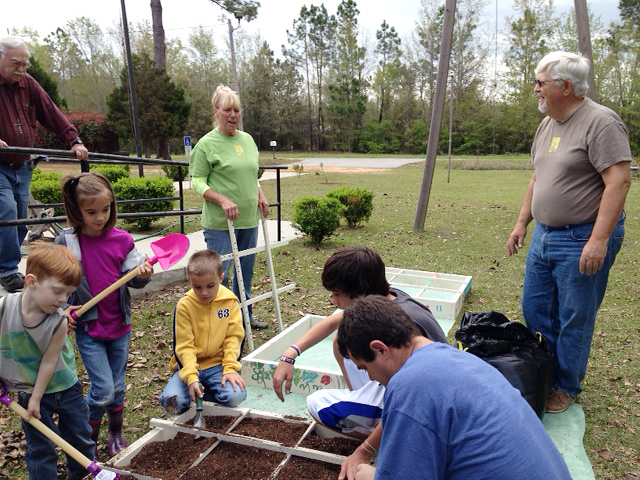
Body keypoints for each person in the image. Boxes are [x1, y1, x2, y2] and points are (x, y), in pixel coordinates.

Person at [507, 51, 632, 414]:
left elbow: (619, 182)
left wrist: (598, 240)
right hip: (545, 235)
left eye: (541, 83)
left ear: (565, 86)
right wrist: (521, 223)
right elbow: (537, 177)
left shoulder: (601, 123)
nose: (535, 90)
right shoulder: (548, 122)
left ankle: (566, 385)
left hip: (581, 237)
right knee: (535, 309)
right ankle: (544, 375)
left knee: (575, 315)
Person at [338, 296, 572, 480]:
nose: (369, 377)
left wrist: (374, 476)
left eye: (363, 367)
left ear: (380, 349)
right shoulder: (457, 359)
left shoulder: (410, 384)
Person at [271, 246, 446, 477]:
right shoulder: (389, 299)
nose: (333, 300)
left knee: (318, 404)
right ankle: (366, 403)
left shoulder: (400, 328)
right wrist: (290, 353)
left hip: (425, 408)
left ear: (359, 295)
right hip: (425, 388)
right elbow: (332, 322)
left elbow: (407, 402)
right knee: (341, 341)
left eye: (336, 293)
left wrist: (364, 450)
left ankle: (392, 435)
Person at [55, 172, 153, 458]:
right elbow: (53, 281)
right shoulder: (68, 242)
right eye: (91, 212)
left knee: (118, 387)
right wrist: (63, 309)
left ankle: (115, 434)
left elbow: (134, 279)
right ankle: (87, 442)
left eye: (106, 209)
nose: (100, 217)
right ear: (76, 210)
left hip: (119, 326)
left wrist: (143, 275)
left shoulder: (122, 240)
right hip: (90, 329)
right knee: (103, 389)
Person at [0, 35, 88, 293]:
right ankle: (7, 269)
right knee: (5, 211)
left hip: (23, 164)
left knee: (18, 217)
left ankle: (5, 264)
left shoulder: (27, 84)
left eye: (25, 64)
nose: (22, 69)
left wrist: (75, 140)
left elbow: (51, 112)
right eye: (16, 63)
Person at [0, 243, 95, 479]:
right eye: (58, 291)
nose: (63, 299)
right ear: (31, 281)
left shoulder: (58, 322)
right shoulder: (4, 308)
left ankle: (80, 475)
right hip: (28, 390)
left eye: (68, 293)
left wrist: (37, 397)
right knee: (40, 448)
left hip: (65, 389)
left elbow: (49, 362)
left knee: (80, 441)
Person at [189, 85, 270, 330]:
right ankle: (216, 324)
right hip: (219, 224)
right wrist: (222, 199)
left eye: (236, 110)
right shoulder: (206, 144)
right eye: (227, 110)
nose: (233, 115)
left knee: (245, 272)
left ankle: (244, 317)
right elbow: (196, 181)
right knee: (217, 275)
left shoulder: (247, 140)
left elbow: (251, 176)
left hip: (248, 219)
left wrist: (261, 194)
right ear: (216, 111)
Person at [158, 249, 247, 414]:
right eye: (197, 287)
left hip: (218, 365)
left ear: (221, 278)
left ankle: (204, 394)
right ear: (190, 282)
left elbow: (233, 338)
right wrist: (191, 378)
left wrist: (229, 368)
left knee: (235, 396)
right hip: (190, 366)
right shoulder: (184, 305)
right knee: (171, 401)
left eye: (210, 286)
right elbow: (184, 346)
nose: (204, 292)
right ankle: (188, 390)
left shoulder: (231, 301)